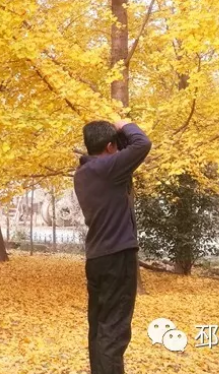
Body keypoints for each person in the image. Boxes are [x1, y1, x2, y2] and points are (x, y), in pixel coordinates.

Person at [73, 119, 152, 374]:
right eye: (116, 146)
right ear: (109, 147)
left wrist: (118, 135)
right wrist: (125, 124)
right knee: (114, 333)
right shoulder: (109, 168)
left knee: (99, 328)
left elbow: (130, 152)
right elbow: (142, 143)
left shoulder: (85, 172)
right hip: (118, 258)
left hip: (96, 258)